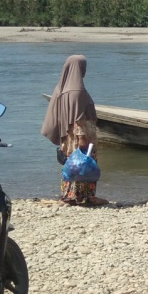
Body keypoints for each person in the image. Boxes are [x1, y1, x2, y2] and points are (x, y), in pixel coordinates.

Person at [41, 54, 107, 206]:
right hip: (80, 136)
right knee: (86, 164)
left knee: (72, 165)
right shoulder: (78, 91)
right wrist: (82, 138)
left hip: (67, 137)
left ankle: (69, 196)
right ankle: (88, 197)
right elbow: (79, 118)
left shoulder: (61, 88)